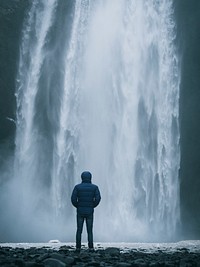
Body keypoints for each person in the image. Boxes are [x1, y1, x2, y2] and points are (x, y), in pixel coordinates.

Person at [71, 171, 101, 252]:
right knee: (90, 230)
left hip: (80, 211)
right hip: (90, 211)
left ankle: (78, 247)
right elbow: (98, 199)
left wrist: (78, 206)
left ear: (82, 177)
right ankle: (91, 247)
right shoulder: (95, 187)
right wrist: (92, 205)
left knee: (79, 230)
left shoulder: (77, 187)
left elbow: (73, 199)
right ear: (90, 177)